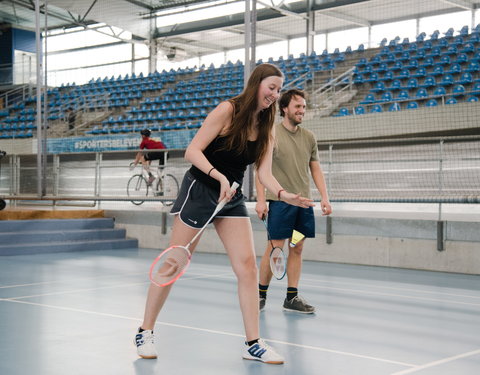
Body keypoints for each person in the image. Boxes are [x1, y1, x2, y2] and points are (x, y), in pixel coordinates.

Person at [134, 64, 315, 364]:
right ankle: (145, 331)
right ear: (256, 84)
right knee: (174, 262)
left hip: (230, 199)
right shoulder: (228, 110)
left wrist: (283, 194)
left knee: (247, 267)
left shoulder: (267, 127)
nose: (275, 94)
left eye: (279, 89)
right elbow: (192, 151)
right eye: (271, 87)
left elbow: (265, 172)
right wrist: (218, 176)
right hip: (202, 189)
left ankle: (253, 343)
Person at [255, 88, 332, 314]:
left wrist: (325, 198)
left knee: (296, 247)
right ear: (285, 108)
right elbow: (261, 169)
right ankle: (260, 295)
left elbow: (315, 169)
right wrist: (261, 200)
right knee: (275, 248)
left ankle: (291, 297)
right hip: (280, 205)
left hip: (303, 206)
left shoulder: (309, 137)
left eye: (304, 107)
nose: (302, 111)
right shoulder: (271, 134)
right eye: (298, 106)